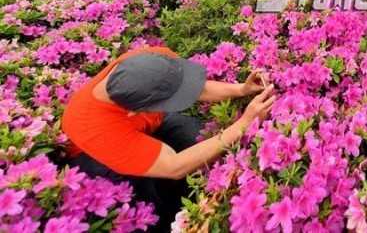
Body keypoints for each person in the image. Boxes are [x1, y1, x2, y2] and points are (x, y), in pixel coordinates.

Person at [62, 46, 275, 231]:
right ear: (136, 111)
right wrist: (243, 125)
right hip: (101, 159)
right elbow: (173, 166)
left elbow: (197, 88)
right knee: (149, 200)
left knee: (197, 138)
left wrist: (242, 89)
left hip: (143, 125)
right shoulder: (99, 130)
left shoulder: (150, 61)